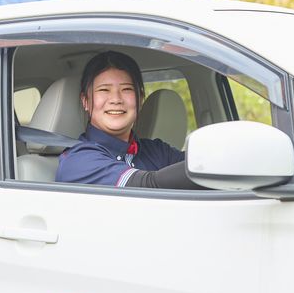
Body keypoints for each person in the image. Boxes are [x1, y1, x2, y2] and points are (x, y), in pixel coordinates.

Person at [55, 51, 202, 189]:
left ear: (140, 99)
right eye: (104, 90)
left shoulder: (156, 151)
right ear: (85, 101)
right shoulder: (77, 161)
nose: (116, 99)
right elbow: (148, 185)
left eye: (126, 89)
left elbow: (203, 168)